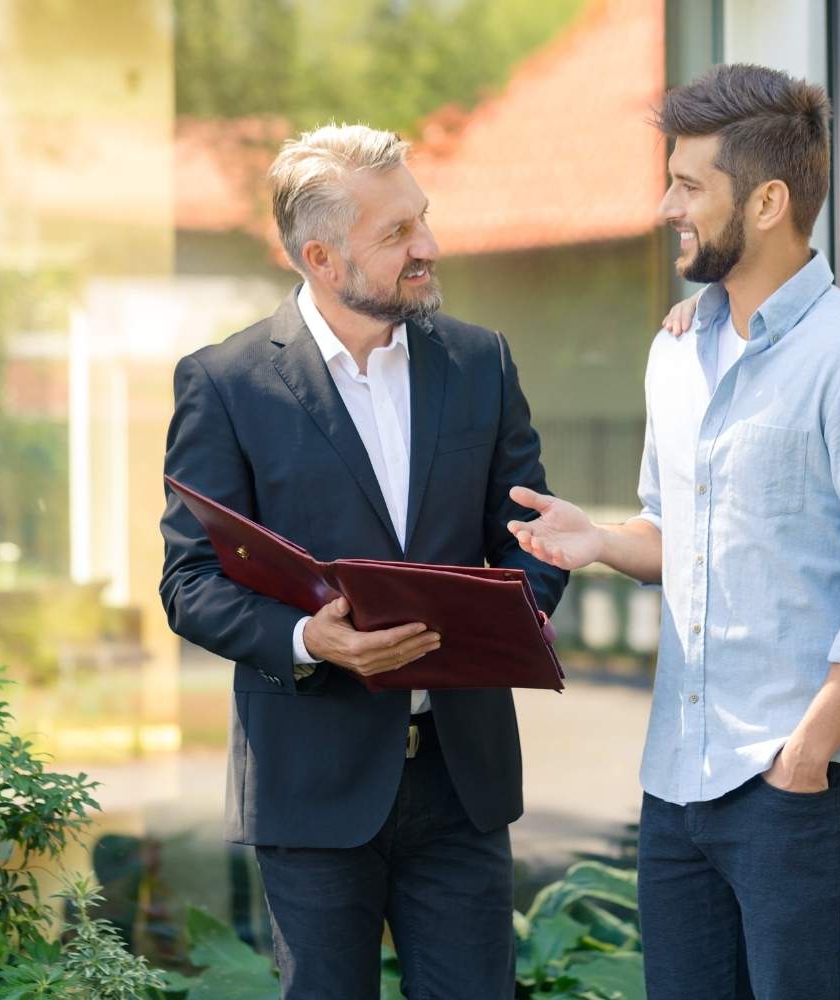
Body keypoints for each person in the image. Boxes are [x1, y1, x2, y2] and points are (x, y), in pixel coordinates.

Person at [508, 64, 840, 998]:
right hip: (678, 784)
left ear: (768, 200)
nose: (664, 207)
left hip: (805, 788)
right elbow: (674, 530)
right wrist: (602, 540)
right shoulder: (676, 350)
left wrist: (804, 755)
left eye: (688, 184)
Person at [158, 123, 567, 999]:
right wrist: (310, 638)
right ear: (320, 256)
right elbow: (189, 583)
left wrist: (505, 626)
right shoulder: (226, 383)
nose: (428, 247)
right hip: (313, 782)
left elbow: (530, 537)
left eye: (421, 219)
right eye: (397, 235)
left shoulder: (480, 362)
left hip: (463, 778)